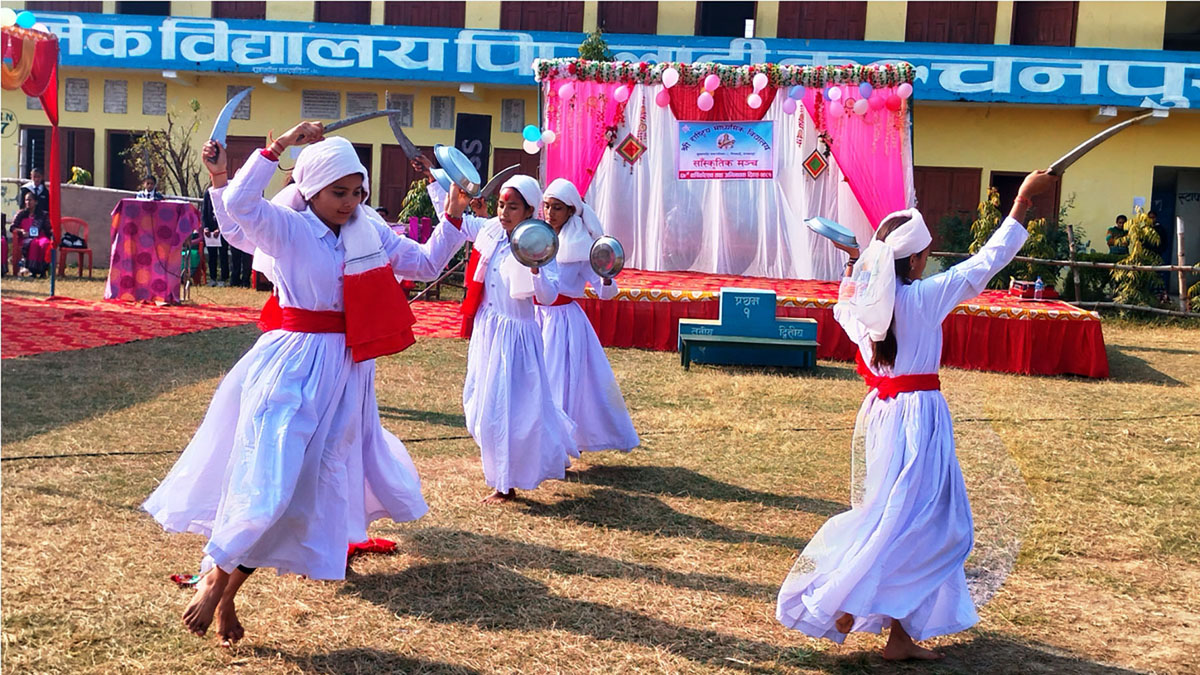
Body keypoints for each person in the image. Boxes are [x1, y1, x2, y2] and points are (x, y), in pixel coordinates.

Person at [142, 121, 471, 646]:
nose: (350, 202)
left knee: (301, 494)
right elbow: (240, 207)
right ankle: (215, 575)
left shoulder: (371, 230)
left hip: (347, 374)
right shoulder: (286, 227)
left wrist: (451, 213)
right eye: (339, 192)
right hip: (290, 368)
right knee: (268, 480)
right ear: (312, 189)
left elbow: (428, 261)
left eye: (357, 191)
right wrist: (277, 147)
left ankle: (225, 593)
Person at [776, 170, 1058, 660]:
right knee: (935, 525)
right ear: (919, 258)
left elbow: (852, 300)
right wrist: (1020, 205)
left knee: (897, 517)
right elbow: (985, 264)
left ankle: (897, 634)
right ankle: (848, 598)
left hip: (884, 415)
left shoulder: (861, 305)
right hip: (919, 418)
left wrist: (853, 265)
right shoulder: (923, 299)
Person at [457, 175, 578, 503]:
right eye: (501, 205)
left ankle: (504, 483)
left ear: (528, 211)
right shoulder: (492, 234)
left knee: (508, 410)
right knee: (481, 402)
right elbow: (459, 221)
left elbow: (550, 296)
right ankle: (510, 467)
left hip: (517, 337)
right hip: (488, 330)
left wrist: (536, 269)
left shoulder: (539, 244)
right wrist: (436, 179)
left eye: (513, 207)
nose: (504, 213)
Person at [537, 179, 639, 454]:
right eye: (546, 206)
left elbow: (606, 292)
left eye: (557, 208)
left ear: (571, 211)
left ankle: (558, 443)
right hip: (533, 317)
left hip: (561, 322)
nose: (550, 213)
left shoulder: (582, 247)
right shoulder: (534, 237)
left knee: (558, 381)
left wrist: (607, 275)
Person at [11, 192, 51, 277]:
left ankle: (43, 270)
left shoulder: (42, 214)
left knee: (45, 243)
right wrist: (21, 231)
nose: (28, 202)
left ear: (35, 202)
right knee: (34, 243)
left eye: (30, 200)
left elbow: (48, 228)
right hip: (25, 238)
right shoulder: (20, 214)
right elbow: (12, 227)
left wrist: (53, 231)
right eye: (26, 200)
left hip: (39, 236)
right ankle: (33, 270)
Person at [201, 190, 230, 286]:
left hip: (222, 228)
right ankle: (213, 278)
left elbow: (227, 213)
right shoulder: (208, 193)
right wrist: (205, 228)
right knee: (211, 255)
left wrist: (220, 228)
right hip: (210, 229)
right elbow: (204, 212)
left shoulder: (225, 191)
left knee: (223, 254)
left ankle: (224, 278)